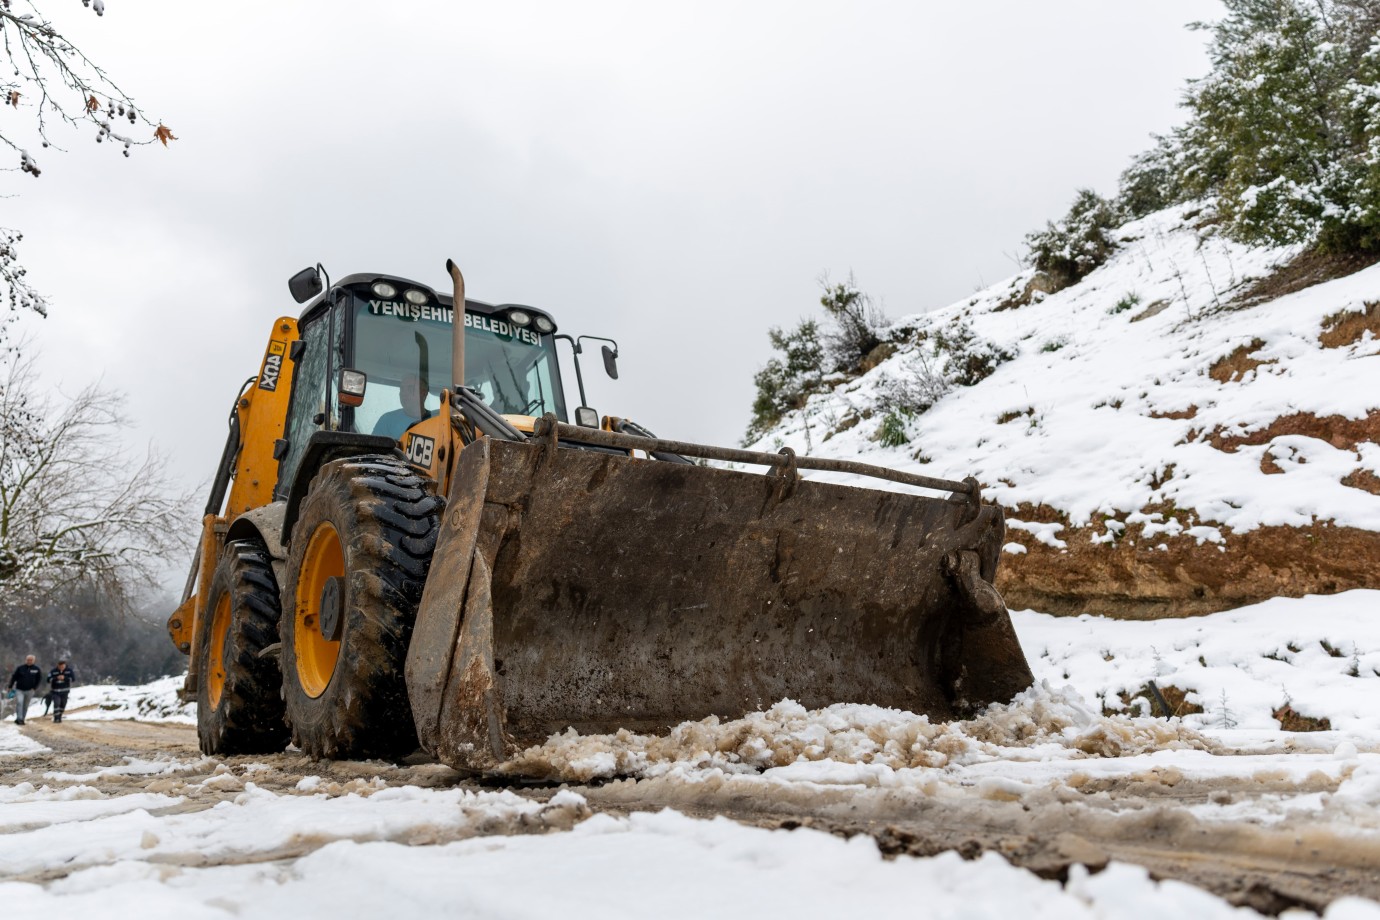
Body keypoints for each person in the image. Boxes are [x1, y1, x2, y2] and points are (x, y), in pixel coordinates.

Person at [372, 374, 431, 440]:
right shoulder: (387, 421)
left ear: (424, 393)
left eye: (410, 388)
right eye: (402, 389)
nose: (404, 393)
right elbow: (374, 449)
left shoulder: (436, 421)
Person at [6, 655, 42, 726]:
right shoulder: (20, 668)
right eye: (28, 660)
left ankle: (22, 718)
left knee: (25, 705)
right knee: (20, 703)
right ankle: (19, 719)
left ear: (34, 661)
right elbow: (14, 677)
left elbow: (39, 679)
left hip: (30, 690)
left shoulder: (37, 669)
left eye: (31, 660)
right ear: (26, 660)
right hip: (20, 689)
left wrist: (34, 688)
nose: (29, 661)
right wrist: (10, 686)